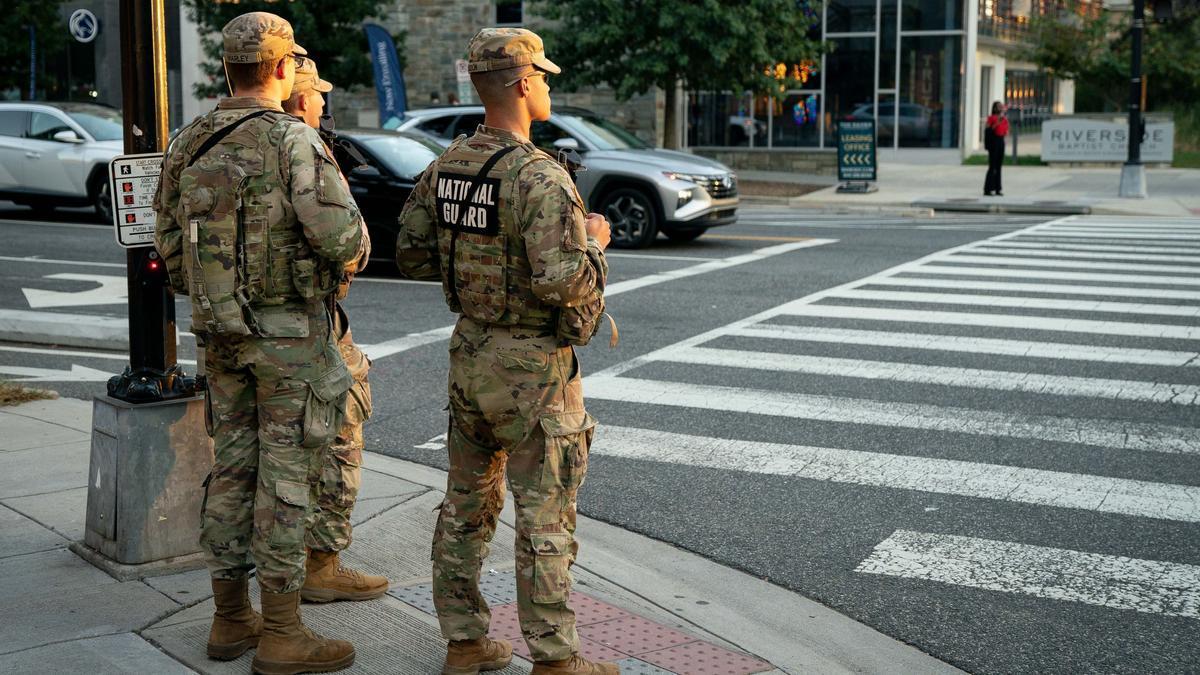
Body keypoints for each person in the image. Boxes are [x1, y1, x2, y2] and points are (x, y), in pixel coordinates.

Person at [395, 27, 616, 675]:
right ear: (521, 83)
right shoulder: (539, 177)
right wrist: (596, 241)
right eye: (542, 76)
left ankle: (464, 640)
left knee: (466, 501)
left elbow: (409, 253)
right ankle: (554, 657)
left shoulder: (448, 164)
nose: (547, 84)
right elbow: (563, 283)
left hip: (470, 353)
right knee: (545, 513)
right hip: (533, 369)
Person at [153, 12, 364, 674]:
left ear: (226, 68)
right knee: (285, 477)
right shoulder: (292, 140)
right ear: (281, 69)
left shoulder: (187, 141)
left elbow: (164, 243)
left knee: (232, 468)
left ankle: (228, 617)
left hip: (219, 334)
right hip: (289, 338)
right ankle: (281, 632)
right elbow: (346, 242)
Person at [280, 58, 390, 605]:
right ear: (300, 100)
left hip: (232, 330)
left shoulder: (204, 142)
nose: (324, 103)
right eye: (318, 95)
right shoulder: (304, 152)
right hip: (307, 329)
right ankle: (320, 565)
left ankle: (234, 609)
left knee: (246, 459)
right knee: (339, 435)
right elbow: (350, 251)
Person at [984, 101, 1009, 196]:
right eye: (999, 106)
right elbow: (989, 129)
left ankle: (998, 188)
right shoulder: (991, 118)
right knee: (992, 166)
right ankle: (988, 189)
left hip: (1001, 141)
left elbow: (1006, 129)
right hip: (993, 141)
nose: (1001, 108)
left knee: (999, 166)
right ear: (994, 108)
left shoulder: (1004, 119)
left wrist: (1005, 130)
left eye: (1001, 106)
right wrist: (998, 122)